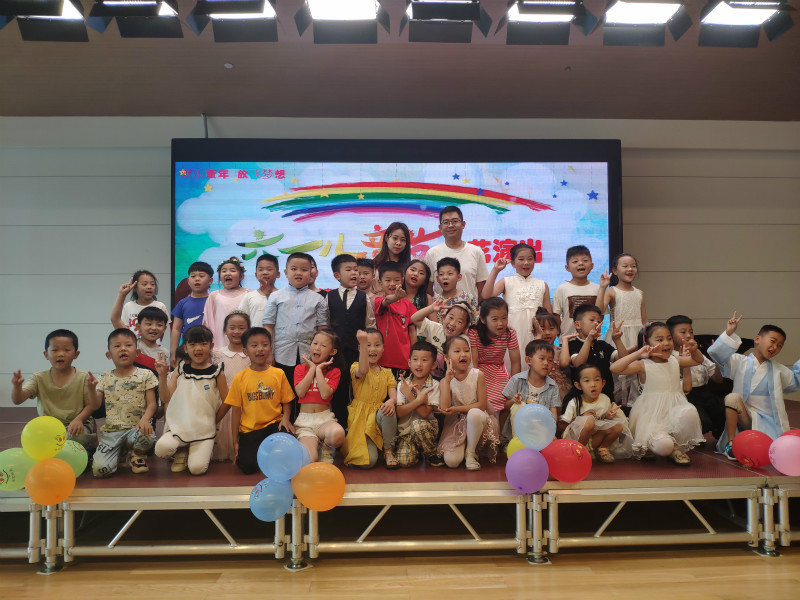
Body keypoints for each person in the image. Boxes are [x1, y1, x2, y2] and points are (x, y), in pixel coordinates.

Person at [708, 312, 800, 459]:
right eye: (773, 341)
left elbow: (795, 381)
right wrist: (729, 332)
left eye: (780, 346)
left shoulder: (779, 370)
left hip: (768, 423)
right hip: (744, 417)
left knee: (774, 452)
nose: (775, 347)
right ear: (757, 339)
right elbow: (718, 356)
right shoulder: (740, 361)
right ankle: (731, 444)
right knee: (732, 398)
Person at [610, 322, 705, 464]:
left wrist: (694, 350)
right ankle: (658, 445)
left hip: (674, 410)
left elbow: (697, 360)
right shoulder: (643, 365)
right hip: (651, 417)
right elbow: (615, 368)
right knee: (664, 447)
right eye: (659, 340)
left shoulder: (675, 360)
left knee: (689, 412)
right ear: (646, 344)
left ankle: (677, 449)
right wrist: (638, 353)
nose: (666, 343)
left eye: (669, 338)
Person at [216, 327, 295, 474]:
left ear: (270, 348)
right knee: (247, 467)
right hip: (250, 430)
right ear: (245, 351)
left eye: (264, 345)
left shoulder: (278, 373)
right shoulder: (240, 378)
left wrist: (285, 419)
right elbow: (236, 411)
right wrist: (235, 441)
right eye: (254, 345)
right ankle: (264, 456)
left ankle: (271, 456)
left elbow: (287, 401)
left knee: (288, 448)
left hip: (274, 426)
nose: (260, 349)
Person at [154, 325, 228, 475]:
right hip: (179, 427)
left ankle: (197, 449)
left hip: (204, 430)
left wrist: (214, 421)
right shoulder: (180, 369)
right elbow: (165, 397)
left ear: (211, 346)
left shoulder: (217, 372)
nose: (198, 348)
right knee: (161, 449)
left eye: (203, 344)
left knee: (196, 469)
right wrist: (162, 376)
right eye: (192, 344)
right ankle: (182, 450)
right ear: (186, 348)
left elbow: (227, 401)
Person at [11, 329, 99, 451]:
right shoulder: (38, 378)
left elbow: (91, 405)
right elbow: (18, 400)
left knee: (75, 438)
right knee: (35, 440)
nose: (60, 354)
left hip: (77, 423)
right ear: (46, 354)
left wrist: (79, 419)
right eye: (55, 350)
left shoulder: (83, 377)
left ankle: (88, 448)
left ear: (76, 354)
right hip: (48, 426)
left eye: (67, 350)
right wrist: (17, 386)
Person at [91, 328, 158, 477]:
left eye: (128, 345)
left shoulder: (146, 374)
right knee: (100, 471)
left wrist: (145, 420)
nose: (123, 349)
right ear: (108, 355)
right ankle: (119, 452)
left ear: (137, 352)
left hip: (136, 429)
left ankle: (136, 455)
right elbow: (95, 405)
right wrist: (90, 389)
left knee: (148, 436)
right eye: (117, 346)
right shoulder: (104, 377)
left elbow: (152, 403)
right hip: (112, 432)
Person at [263, 252, 329, 400]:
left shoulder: (318, 299)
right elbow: (268, 326)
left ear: (310, 273)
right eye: (294, 269)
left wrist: (321, 355)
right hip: (281, 354)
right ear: (286, 272)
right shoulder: (275, 296)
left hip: (309, 356)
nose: (298, 273)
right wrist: (269, 352)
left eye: (304, 269)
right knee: (282, 394)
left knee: (305, 395)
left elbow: (322, 330)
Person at [482, 243, 552, 367]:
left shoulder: (542, 284)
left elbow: (548, 315)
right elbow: (486, 295)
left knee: (536, 364)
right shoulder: (506, 281)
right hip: (512, 333)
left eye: (530, 259)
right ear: (513, 263)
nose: (526, 263)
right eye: (521, 259)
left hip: (535, 334)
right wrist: (496, 270)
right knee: (512, 364)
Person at [437, 336, 500, 470]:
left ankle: (470, 452)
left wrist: (456, 409)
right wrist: (447, 381)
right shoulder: (444, 381)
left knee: (474, 413)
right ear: (446, 357)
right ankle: (463, 446)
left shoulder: (477, 375)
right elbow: (445, 407)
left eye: (466, 350)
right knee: (452, 462)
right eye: (457, 351)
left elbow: (481, 405)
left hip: (477, 420)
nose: (463, 354)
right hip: (457, 424)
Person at [327, 253, 375, 426]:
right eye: (349, 270)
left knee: (358, 391)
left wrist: (369, 348)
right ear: (337, 275)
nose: (355, 273)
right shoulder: (329, 296)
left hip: (357, 352)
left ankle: (357, 429)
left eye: (356, 270)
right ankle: (340, 428)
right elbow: (325, 324)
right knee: (338, 391)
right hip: (336, 354)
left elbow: (370, 324)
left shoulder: (363, 297)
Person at [342, 329, 399, 469]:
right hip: (361, 420)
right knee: (368, 462)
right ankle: (374, 447)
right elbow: (363, 370)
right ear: (360, 348)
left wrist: (391, 401)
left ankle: (388, 450)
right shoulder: (356, 367)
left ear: (383, 348)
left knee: (388, 409)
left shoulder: (387, 372)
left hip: (378, 416)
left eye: (377, 345)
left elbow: (393, 394)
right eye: (368, 345)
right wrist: (362, 343)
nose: (372, 349)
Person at [667, 315, 725, 440]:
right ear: (670, 336)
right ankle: (691, 439)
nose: (689, 335)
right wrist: (684, 361)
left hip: (704, 393)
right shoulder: (668, 358)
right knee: (702, 421)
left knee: (724, 412)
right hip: (685, 396)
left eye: (691, 332)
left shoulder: (698, 354)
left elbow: (718, 379)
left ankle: (722, 441)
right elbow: (684, 388)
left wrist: (718, 360)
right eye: (683, 332)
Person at [560, 363, 633, 463]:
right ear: (578, 385)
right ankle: (578, 453)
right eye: (587, 381)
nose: (593, 384)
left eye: (597, 380)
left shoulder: (605, 399)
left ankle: (602, 449)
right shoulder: (574, 402)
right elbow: (563, 425)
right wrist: (582, 417)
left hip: (594, 439)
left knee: (618, 427)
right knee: (589, 420)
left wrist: (607, 416)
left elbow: (602, 421)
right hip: (576, 440)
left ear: (603, 383)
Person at [389, 341, 444, 468]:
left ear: (433, 364)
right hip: (406, 432)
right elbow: (400, 412)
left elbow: (425, 413)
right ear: (409, 362)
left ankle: (430, 453)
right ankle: (417, 451)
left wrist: (410, 396)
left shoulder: (434, 385)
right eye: (415, 359)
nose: (419, 364)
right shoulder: (403, 384)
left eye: (424, 360)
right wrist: (418, 401)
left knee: (418, 425)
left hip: (426, 429)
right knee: (404, 461)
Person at [293, 330, 345, 463]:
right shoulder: (300, 368)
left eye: (323, 345)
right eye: (315, 343)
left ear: (332, 352)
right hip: (305, 422)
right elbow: (300, 392)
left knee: (338, 434)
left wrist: (318, 370)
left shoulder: (335, 371)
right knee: (311, 459)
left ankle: (326, 449)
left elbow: (325, 394)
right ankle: (314, 447)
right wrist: (311, 369)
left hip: (325, 419)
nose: (317, 348)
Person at [468, 297, 521, 415]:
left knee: (506, 398)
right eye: (494, 319)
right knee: (483, 398)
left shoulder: (509, 333)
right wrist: (476, 383)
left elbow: (516, 362)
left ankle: (501, 426)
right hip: (479, 371)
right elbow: (474, 362)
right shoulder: (474, 333)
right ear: (483, 319)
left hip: (498, 370)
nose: (500, 323)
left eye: (504, 318)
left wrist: (514, 384)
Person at [211, 311, 251, 461]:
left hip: (246, 405)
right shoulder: (217, 354)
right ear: (224, 330)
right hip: (223, 405)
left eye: (241, 328)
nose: (237, 331)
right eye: (232, 327)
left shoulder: (251, 354)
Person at [501, 339, 561, 440]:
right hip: (519, 428)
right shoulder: (517, 380)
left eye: (550, 360)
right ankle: (519, 442)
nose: (546, 363)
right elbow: (506, 406)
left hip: (540, 429)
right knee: (518, 406)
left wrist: (550, 431)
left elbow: (553, 414)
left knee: (553, 441)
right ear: (529, 360)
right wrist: (513, 401)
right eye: (542, 358)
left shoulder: (553, 386)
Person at [424, 206, 488, 300]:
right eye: (446, 222)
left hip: (469, 308)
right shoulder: (432, 253)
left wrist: (474, 307)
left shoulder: (476, 252)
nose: (450, 225)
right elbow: (428, 287)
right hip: (441, 308)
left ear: (463, 224)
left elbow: (482, 287)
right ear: (440, 227)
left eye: (454, 221)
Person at [568, 305, 628, 403]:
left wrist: (617, 340)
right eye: (592, 320)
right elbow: (578, 364)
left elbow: (624, 360)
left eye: (599, 321)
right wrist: (589, 339)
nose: (596, 323)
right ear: (577, 325)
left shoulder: (602, 344)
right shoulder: (572, 344)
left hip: (606, 396)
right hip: (582, 399)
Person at [374, 261, 417, 376]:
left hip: (404, 361)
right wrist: (396, 297)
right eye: (388, 280)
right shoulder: (378, 301)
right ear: (380, 282)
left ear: (402, 281)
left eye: (396, 280)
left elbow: (412, 332)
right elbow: (386, 301)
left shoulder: (408, 304)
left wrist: (414, 355)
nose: (392, 284)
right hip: (381, 361)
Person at [411, 299, 473, 377]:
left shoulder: (464, 341)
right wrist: (432, 308)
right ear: (444, 317)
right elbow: (414, 318)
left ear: (465, 328)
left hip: (453, 378)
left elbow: (467, 367)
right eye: (451, 317)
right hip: (431, 377)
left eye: (459, 322)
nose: (453, 323)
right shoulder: (436, 328)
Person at [552, 246, 603, 337]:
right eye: (575, 261)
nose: (581, 263)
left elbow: (601, 315)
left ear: (592, 266)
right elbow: (556, 315)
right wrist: (561, 335)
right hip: (569, 339)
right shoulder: (562, 289)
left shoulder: (598, 289)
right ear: (567, 267)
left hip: (594, 339)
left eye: (585, 260)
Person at [170, 261, 213, 363]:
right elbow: (176, 329)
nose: (197, 279)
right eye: (193, 276)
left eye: (201, 276)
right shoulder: (182, 303)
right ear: (188, 281)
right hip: (188, 350)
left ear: (210, 280)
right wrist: (173, 353)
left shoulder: (214, 300)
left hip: (209, 350)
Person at [204, 257, 251, 349]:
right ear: (220, 277)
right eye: (224, 271)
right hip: (220, 342)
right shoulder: (214, 295)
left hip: (245, 342)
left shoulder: (250, 294)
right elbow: (207, 321)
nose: (228, 273)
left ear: (241, 276)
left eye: (232, 270)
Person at [531, 308, 575, 400]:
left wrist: (565, 340)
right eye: (542, 329)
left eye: (551, 329)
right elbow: (535, 357)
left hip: (561, 393)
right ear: (534, 332)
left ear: (558, 330)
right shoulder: (534, 350)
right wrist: (539, 335)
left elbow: (564, 363)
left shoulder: (560, 350)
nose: (547, 333)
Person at [110, 270, 169, 338]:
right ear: (135, 287)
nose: (149, 287)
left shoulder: (160, 306)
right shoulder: (128, 306)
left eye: (152, 284)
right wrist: (122, 294)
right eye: (144, 284)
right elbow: (118, 323)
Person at [238, 254, 280, 329]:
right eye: (261, 270)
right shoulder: (249, 296)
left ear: (278, 274)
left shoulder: (283, 296)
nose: (265, 272)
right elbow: (241, 321)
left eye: (269, 269)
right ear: (256, 275)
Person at [432, 257, 478, 324]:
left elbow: (475, 320)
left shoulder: (468, 297)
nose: (445, 277)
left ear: (459, 277)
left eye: (450, 273)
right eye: (441, 274)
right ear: (437, 279)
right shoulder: (435, 301)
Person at [373, 222, 412, 294]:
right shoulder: (374, 264)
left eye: (403, 240)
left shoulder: (409, 268)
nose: (398, 243)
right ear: (386, 238)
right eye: (395, 238)